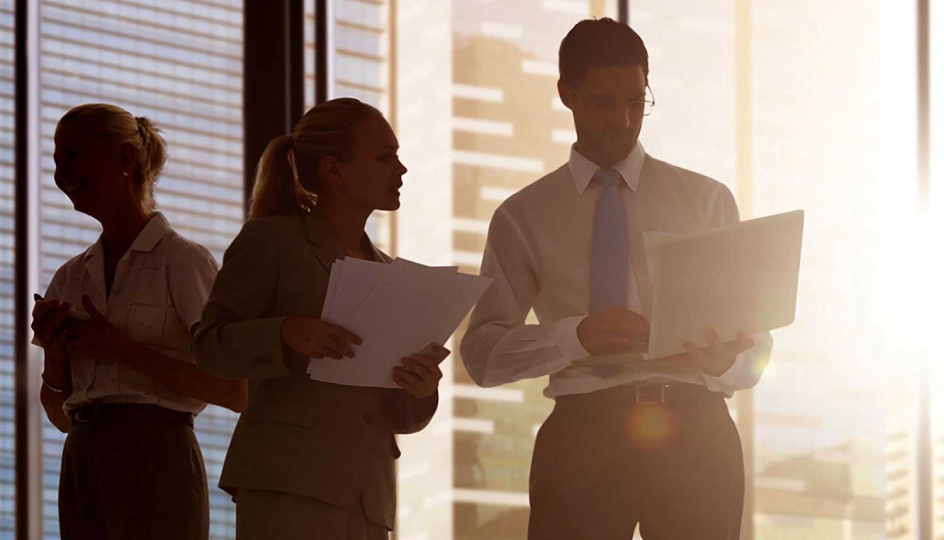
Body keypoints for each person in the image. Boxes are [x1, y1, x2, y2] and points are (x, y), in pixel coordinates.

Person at [460, 19, 773, 540]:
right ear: (567, 94)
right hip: (582, 434)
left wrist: (728, 361)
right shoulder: (523, 216)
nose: (623, 120)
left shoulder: (707, 200)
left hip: (696, 432)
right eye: (604, 103)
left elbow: (756, 348)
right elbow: (483, 356)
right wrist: (575, 337)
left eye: (636, 101)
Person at [193, 97, 447, 540]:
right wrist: (287, 334)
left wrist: (422, 390)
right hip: (287, 485)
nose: (401, 169)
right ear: (333, 170)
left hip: (369, 498)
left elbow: (400, 415)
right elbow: (208, 345)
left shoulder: (391, 275)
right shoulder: (271, 241)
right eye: (385, 156)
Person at [30, 103, 248, 540]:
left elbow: (237, 391)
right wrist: (56, 354)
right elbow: (60, 414)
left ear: (126, 159)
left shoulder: (183, 262)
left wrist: (122, 350)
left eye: (73, 155)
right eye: (56, 160)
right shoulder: (69, 277)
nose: (61, 173)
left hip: (160, 457)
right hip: (83, 460)